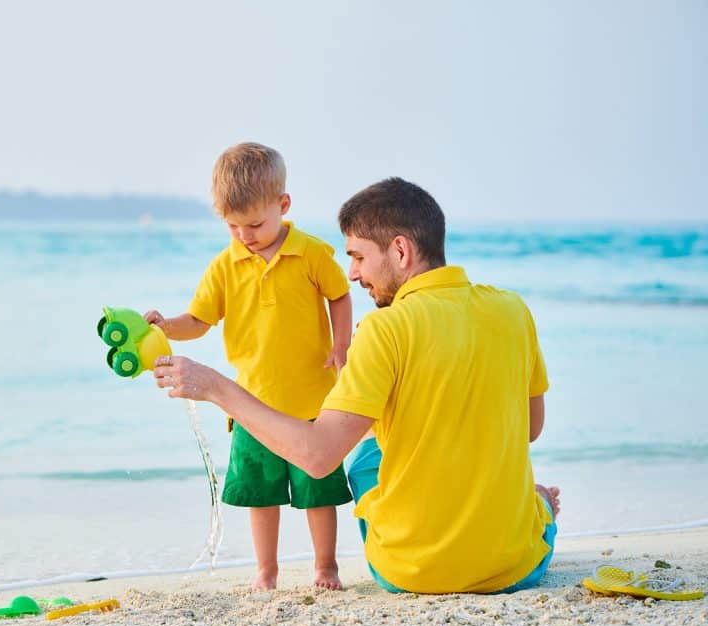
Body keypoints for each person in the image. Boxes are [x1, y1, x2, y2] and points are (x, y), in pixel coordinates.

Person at [153, 177, 561, 594]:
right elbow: (530, 428)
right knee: (501, 455)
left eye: (359, 257)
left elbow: (317, 458)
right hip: (517, 567)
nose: (352, 274)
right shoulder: (514, 310)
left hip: (410, 572)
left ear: (400, 250)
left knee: (366, 449)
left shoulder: (383, 329)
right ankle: (536, 502)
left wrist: (214, 387)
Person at [144, 142, 354, 590]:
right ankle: (266, 571)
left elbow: (339, 294)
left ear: (283, 205)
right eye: (233, 226)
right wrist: (165, 327)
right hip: (251, 406)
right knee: (261, 496)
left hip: (312, 402)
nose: (245, 235)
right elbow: (198, 321)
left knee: (318, 493)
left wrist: (342, 345)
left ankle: (325, 567)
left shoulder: (312, 253)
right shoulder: (224, 266)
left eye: (255, 224)